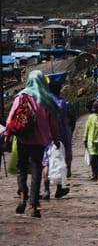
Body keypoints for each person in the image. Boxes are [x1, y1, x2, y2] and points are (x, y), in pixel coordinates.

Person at [4, 70, 60, 218]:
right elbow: (54, 123)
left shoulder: (21, 96)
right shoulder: (47, 99)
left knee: (21, 168)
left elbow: (11, 118)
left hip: (23, 139)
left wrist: (7, 136)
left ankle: (23, 195)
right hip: (40, 141)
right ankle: (34, 205)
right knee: (36, 171)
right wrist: (55, 139)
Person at [41, 80, 72, 200]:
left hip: (44, 136)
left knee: (46, 162)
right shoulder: (62, 102)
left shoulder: (43, 101)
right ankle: (59, 188)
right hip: (60, 135)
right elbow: (64, 121)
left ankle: (46, 190)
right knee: (58, 161)